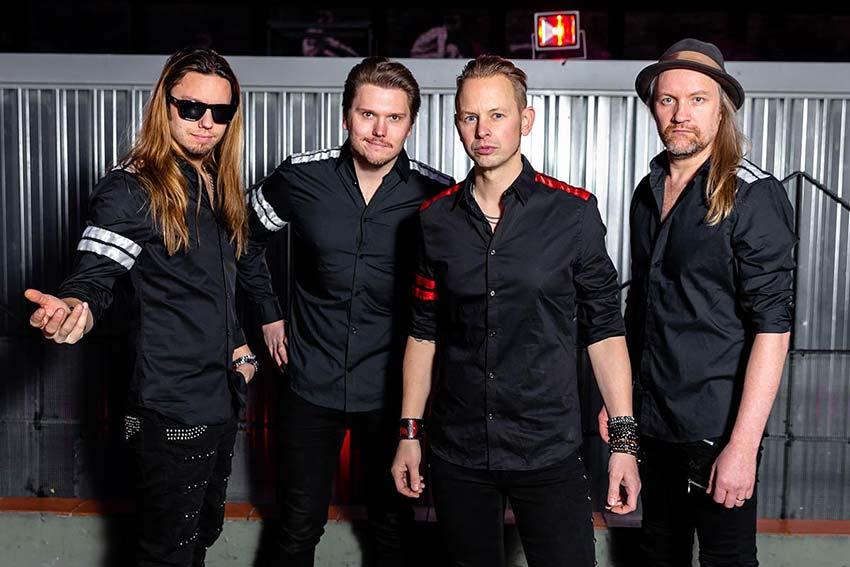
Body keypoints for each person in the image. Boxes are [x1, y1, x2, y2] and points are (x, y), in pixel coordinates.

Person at [391, 55, 641, 567]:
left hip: (546, 447)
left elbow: (605, 331)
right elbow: (423, 334)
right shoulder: (435, 220)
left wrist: (624, 443)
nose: (482, 130)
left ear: (525, 121)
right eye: (470, 117)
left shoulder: (573, 213)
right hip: (460, 451)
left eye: (497, 115)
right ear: (457, 123)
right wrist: (409, 435)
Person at [24, 47, 256, 567]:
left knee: (200, 538)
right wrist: (73, 306)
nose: (206, 123)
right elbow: (96, 273)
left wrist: (239, 346)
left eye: (220, 111)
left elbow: (209, 285)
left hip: (220, 396)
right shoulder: (132, 188)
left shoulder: (215, 180)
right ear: (163, 106)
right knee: (166, 554)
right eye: (191, 108)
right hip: (169, 407)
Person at [236, 56, 453, 566]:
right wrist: (268, 313)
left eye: (394, 118)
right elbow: (240, 238)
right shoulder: (300, 177)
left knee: (393, 530)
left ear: (410, 125)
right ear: (345, 117)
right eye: (367, 114)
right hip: (309, 381)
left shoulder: (438, 195)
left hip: (392, 392)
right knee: (296, 528)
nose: (380, 130)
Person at [605, 38, 795, 566]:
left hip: (716, 427)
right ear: (653, 107)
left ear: (721, 109)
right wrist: (620, 402)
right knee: (655, 553)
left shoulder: (752, 195)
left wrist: (742, 447)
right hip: (653, 422)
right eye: (668, 100)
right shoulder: (647, 191)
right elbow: (641, 309)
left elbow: (773, 329)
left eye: (697, 99)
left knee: (726, 559)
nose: (680, 114)